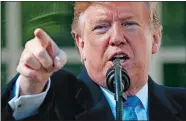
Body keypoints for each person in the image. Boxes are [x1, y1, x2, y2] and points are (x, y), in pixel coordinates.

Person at [2, 2, 186, 121]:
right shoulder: (56, 100)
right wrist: (32, 85)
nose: (116, 38)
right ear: (81, 44)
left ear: (155, 39)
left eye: (129, 24)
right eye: (101, 27)